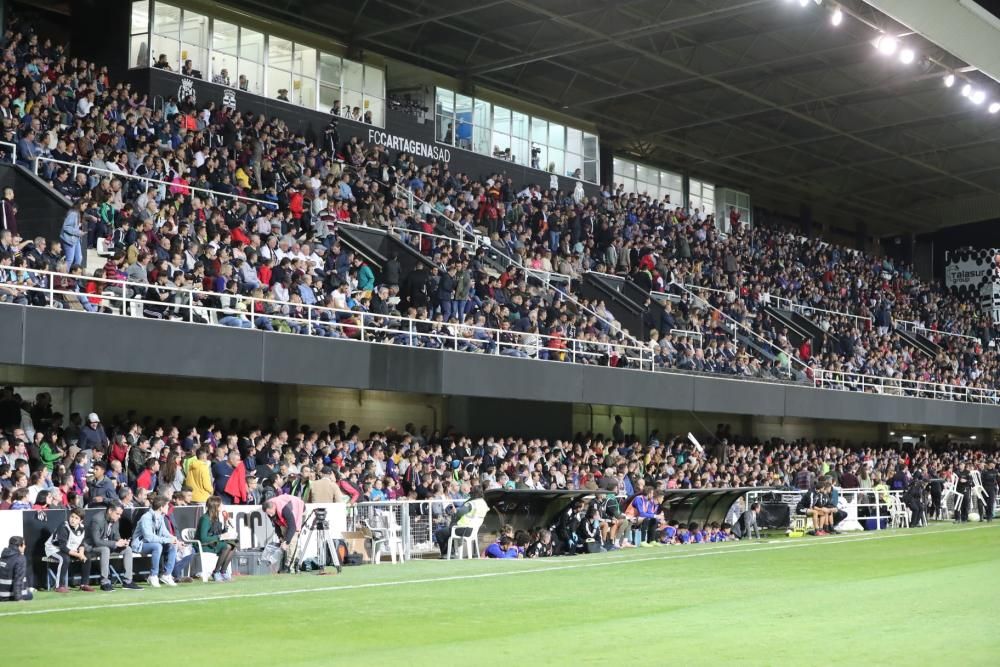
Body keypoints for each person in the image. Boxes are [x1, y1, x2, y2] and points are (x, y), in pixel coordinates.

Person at [82, 501, 141, 591]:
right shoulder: (97, 519)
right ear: (110, 511)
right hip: (92, 547)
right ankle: (105, 582)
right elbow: (96, 541)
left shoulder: (115, 519)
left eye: (120, 514)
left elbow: (116, 535)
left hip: (107, 545)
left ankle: (128, 581)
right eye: (117, 514)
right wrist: (115, 544)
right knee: (105, 550)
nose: (119, 516)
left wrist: (121, 541)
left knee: (127, 549)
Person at [130, 496, 179, 587]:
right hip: (140, 544)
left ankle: (166, 574)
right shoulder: (146, 517)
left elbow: (164, 532)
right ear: (161, 507)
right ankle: (153, 575)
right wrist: (167, 540)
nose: (168, 507)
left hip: (153, 543)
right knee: (157, 546)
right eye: (167, 505)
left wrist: (173, 539)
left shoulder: (160, 517)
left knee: (172, 545)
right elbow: (148, 537)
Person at [434, 486, 488, 557]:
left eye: (471, 493)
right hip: (473, 530)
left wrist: (454, 510)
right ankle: (451, 553)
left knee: (439, 533)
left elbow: (459, 513)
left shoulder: (471, 503)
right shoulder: (483, 503)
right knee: (448, 532)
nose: (469, 494)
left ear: (474, 494)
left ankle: (446, 554)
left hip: (463, 529)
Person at [44, 507, 87, 592]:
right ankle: (59, 586)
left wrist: (81, 554)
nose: (73, 520)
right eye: (72, 516)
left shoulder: (82, 528)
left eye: (76, 518)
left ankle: (84, 584)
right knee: (65, 558)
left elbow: (81, 544)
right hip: (54, 549)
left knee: (87, 556)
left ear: (80, 521)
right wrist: (78, 555)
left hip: (70, 549)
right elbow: (63, 547)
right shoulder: (64, 526)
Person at [196, 495, 236, 582]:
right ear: (215, 506)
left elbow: (218, 533)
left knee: (233, 545)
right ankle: (216, 572)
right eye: (221, 504)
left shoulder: (216, 517)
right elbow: (203, 538)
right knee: (227, 546)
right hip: (204, 545)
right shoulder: (205, 519)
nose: (222, 506)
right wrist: (220, 537)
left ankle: (223, 572)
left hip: (213, 542)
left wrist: (226, 525)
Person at [262, 494, 305, 571]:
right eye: (268, 514)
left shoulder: (284, 509)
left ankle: (289, 567)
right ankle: (286, 564)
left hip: (298, 509)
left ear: (273, 507)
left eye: (271, 513)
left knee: (292, 541)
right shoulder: (270, 511)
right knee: (284, 540)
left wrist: (286, 542)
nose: (270, 515)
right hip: (285, 519)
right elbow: (276, 525)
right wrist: (281, 537)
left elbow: (293, 527)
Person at [0, 536, 31, 601]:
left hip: (1, 596)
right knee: (30, 595)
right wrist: (19, 598)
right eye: (24, 544)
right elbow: (18, 579)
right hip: (10, 597)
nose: (25, 546)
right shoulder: (20, 558)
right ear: (20, 546)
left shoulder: (3, 556)